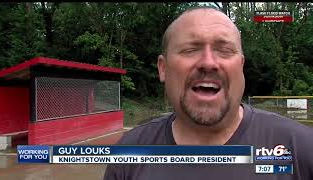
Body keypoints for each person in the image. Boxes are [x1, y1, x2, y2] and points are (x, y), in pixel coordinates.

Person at [103, 7, 313, 180]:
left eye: (224, 50)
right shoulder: (129, 153)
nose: (208, 63)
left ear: (240, 66)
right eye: (190, 49)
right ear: (163, 68)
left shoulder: (300, 148)